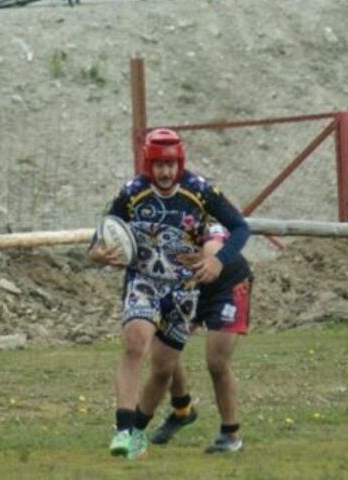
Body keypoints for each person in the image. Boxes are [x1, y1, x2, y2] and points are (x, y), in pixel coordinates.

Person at [88, 128, 249, 460]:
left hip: (185, 291)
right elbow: (103, 232)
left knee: (164, 368)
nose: (164, 171)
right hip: (144, 282)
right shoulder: (132, 193)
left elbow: (240, 227)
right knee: (135, 343)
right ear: (148, 163)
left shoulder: (201, 192)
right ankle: (123, 429)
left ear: (180, 162)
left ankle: (148, 428)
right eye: (158, 164)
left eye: (171, 164)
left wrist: (217, 260)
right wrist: (98, 252)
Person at [150, 224, 254, 453]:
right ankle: (181, 409)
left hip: (228, 287)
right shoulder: (157, 217)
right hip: (188, 287)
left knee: (217, 363)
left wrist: (205, 256)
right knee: (165, 350)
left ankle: (230, 434)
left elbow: (213, 247)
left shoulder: (205, 217)